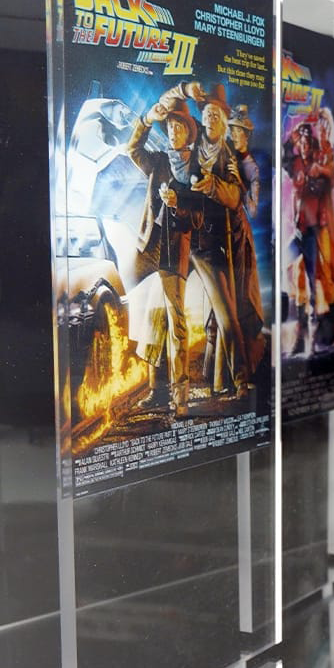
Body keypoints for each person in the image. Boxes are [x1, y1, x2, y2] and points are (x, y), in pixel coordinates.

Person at [126, 86, 205, 419]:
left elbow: (198, 219)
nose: (173, 131)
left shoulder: (197, 169)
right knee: (148, 316)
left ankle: (180, 398)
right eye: (170, 126)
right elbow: (132, 149)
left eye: (178, 127)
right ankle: (156, 390)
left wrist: (178, 203)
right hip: (150, 248)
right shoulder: (157, 160)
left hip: (175, 251)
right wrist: (146, 119)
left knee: (176, 323)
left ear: (188, 132)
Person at [186, 83, 251, 397]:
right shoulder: (190, 142)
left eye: (216, 114)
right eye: (207, 113)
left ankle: (234, 380)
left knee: (224, 314)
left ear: (224, 121)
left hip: (210, 245)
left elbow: (235, 196)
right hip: (182, 238)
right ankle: (212, 380)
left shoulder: (228, 156)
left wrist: (213, 184)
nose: (211, 118)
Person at [286, 118, 334, 355]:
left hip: (319, 229)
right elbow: (285, 155)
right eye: (300, 143)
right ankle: (302, 335)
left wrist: (319, 170)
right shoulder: (297, 164)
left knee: (324, 275)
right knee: (297, 274)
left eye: (306, 142)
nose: (303, 146)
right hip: (302, 230)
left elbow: (330, 173)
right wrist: (295, 135)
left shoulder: (322, 159)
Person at [223, 104, 266, 380]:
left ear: (246, 135)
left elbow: (252, 209)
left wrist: (238, 182)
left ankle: (247, 365)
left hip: (240, 236)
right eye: (231, 130)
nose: (233, 135)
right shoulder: (225, 154)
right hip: (221, 231)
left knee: (242, 298)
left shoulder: (251, 168)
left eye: (238, 131)